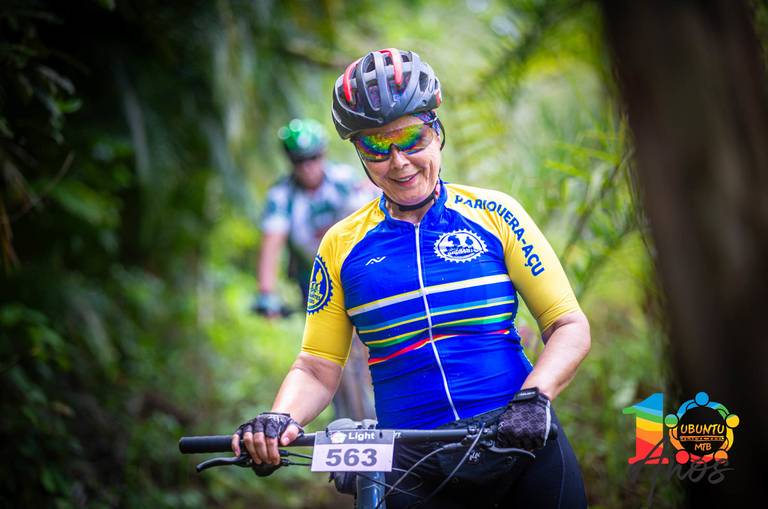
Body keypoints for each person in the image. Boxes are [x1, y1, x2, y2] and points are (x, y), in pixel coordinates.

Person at [234, 49, 591, 508]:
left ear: (437, 132)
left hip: (520, 440)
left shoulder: (496, 214)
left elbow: (568, 325)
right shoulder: (340, 246)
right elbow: (317, 368)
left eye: (411, 138)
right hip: (411, 463)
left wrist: (534, 399)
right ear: (359, 154)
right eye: (376, 148)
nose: (399, 162)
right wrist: (278, 420)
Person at [254, 117, 375, 421]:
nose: (308, 167)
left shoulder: (345, 179)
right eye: (300, 161)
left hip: (360, 275)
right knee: (330, 361)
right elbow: (272, 242)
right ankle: (349, 422)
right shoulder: (282, 196)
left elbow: (375, 214)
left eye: (314, 157)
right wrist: (266, 293)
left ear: (323, 153)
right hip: (317, 287)